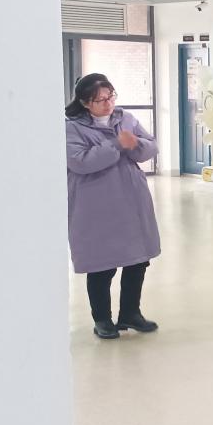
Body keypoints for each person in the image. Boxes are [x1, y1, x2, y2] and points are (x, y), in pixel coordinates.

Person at [65, 74, 162, 340]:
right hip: (96, 204)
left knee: (137, 260)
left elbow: (150, 147)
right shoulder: (72, 128)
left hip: (130, 200)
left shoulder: (125, 119)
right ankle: (102, 320)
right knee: (102, 264)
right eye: (100, 100)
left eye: (111, 97)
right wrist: (117, 144)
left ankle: (130, 313)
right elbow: (80, 161)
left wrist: (136, 144)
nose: (108, 104)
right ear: (85, 103)